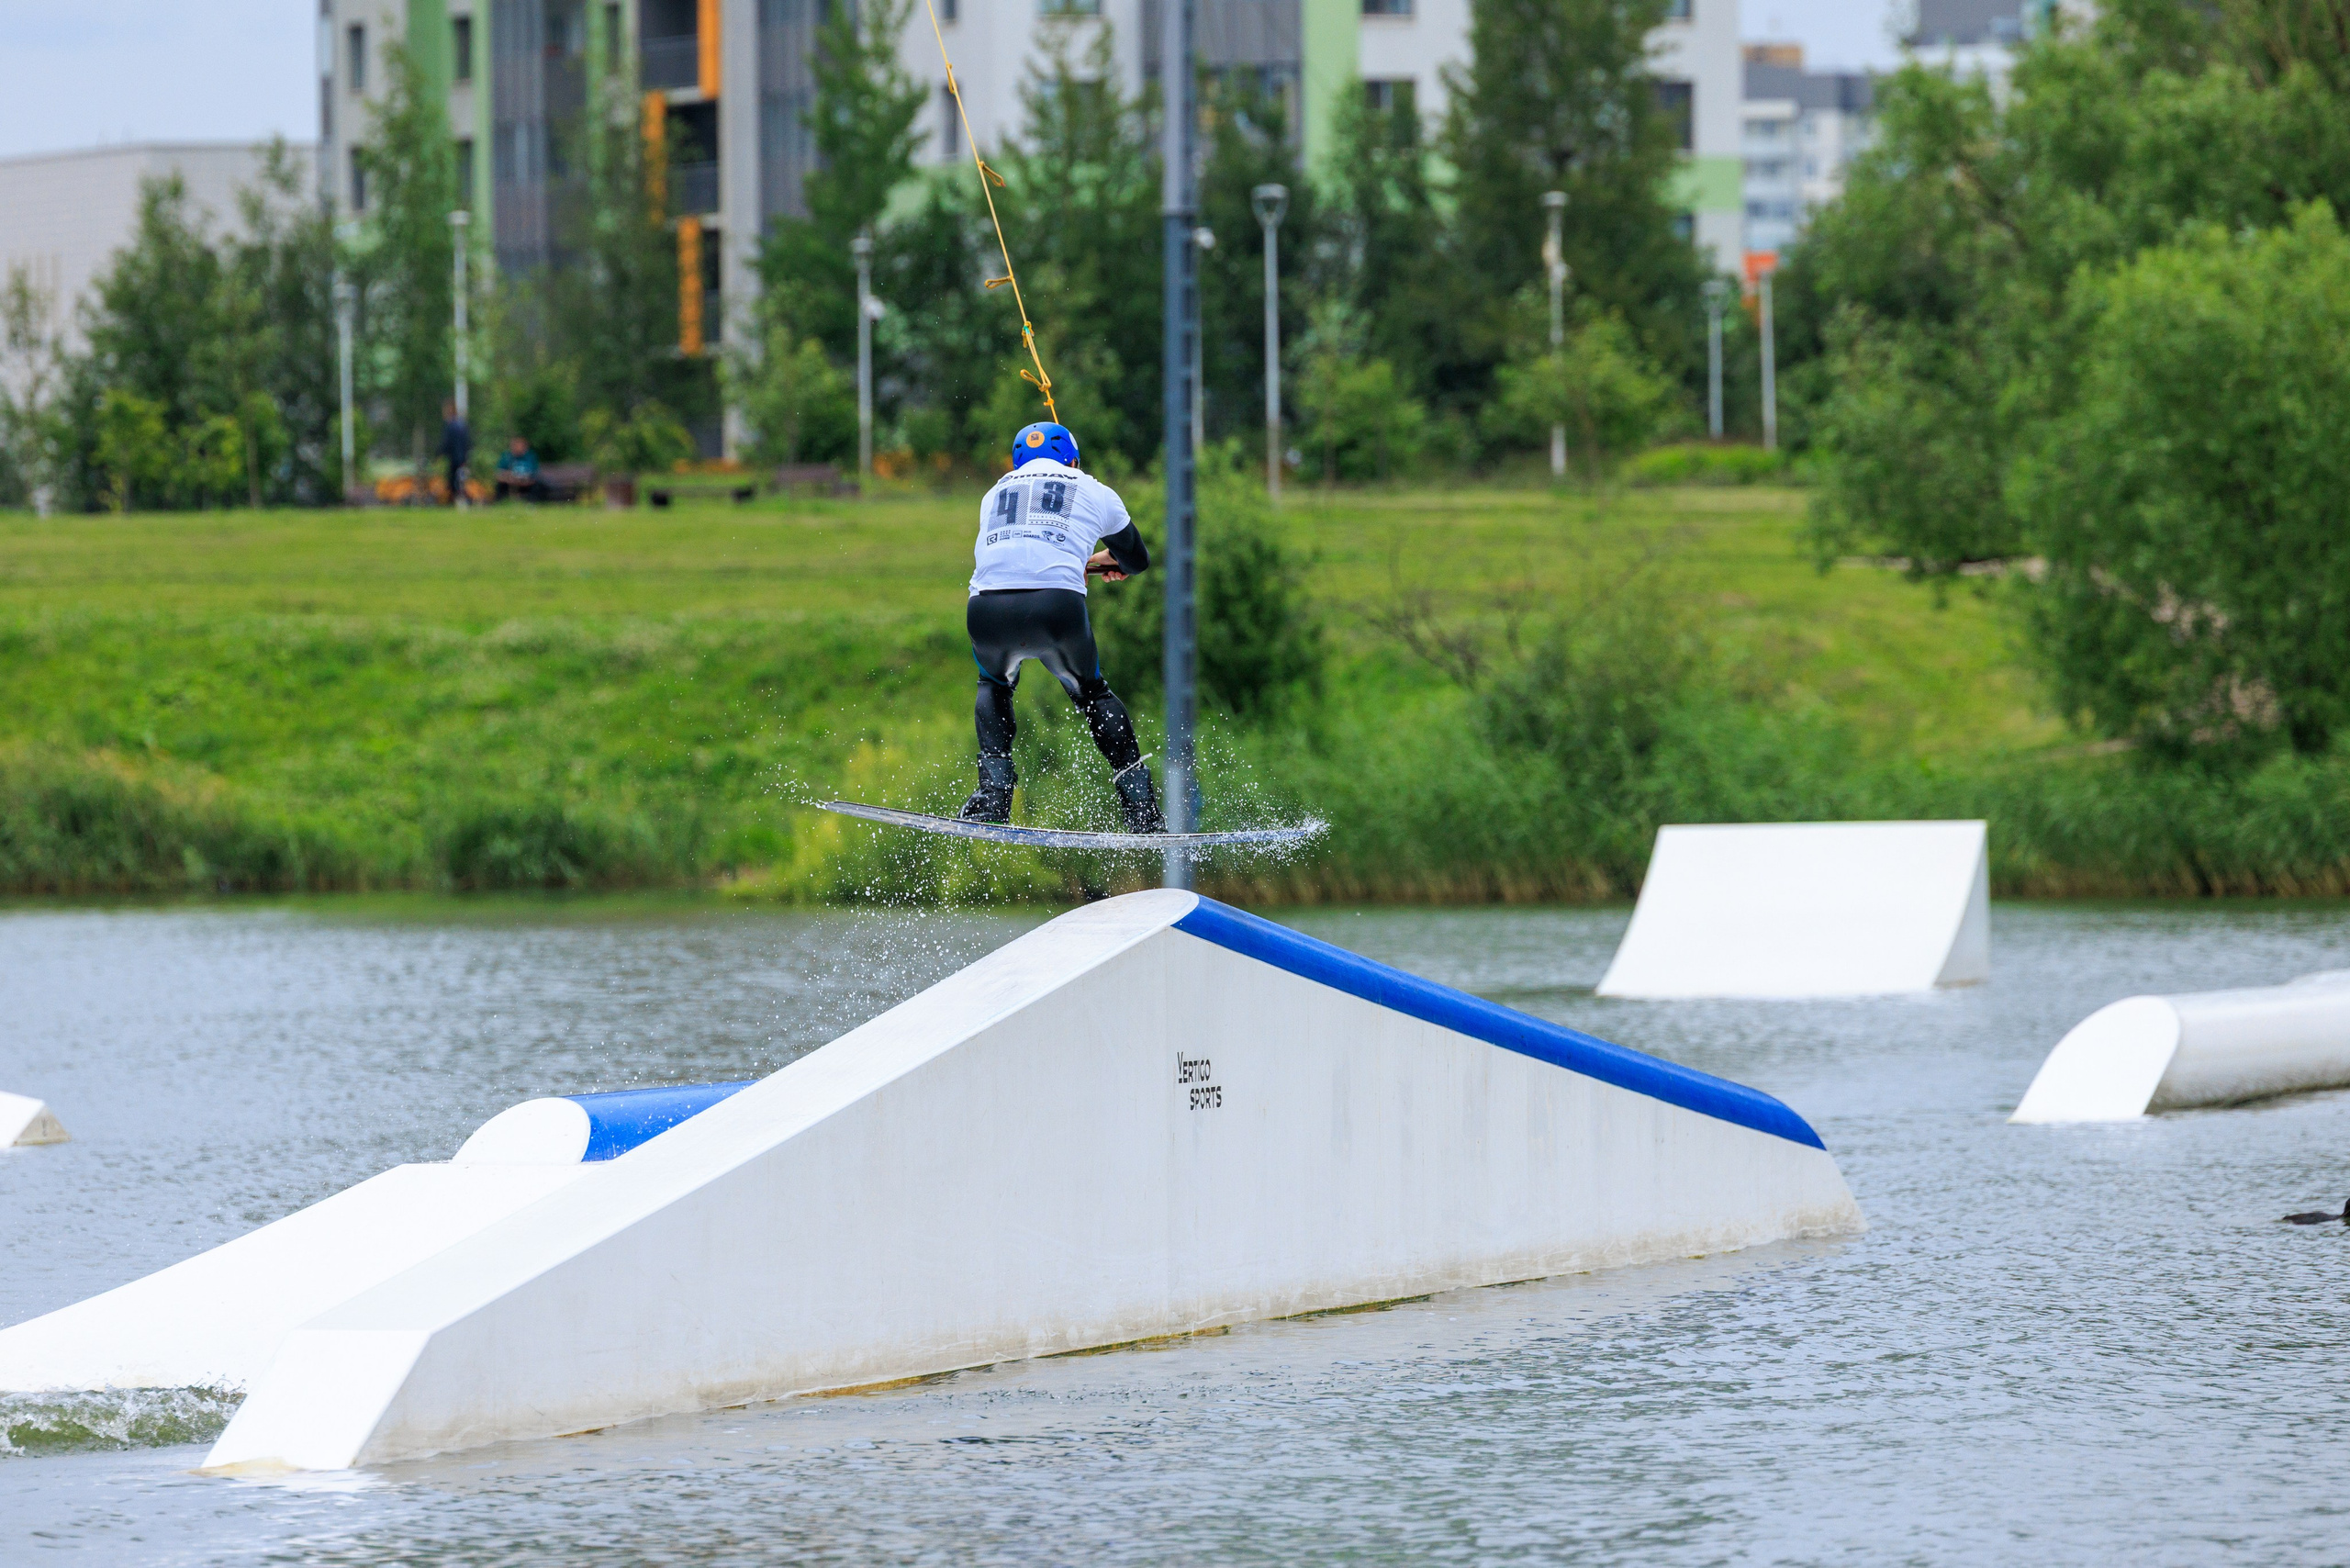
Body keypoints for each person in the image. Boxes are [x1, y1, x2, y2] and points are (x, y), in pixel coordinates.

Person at [960, 420, 1163, 834]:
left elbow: (1023, 547)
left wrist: (1083, 561)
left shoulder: (994, 492)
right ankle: (1141, 808)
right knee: (1092, 693)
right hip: (1057, 608)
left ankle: (994, 794)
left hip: (986, 609)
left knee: (994, 686)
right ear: (1073, 459)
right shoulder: (1094, 489)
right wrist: (1108, 562)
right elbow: (1137, 560)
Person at [439, 399, 472, 507]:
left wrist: (439, 453)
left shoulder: (451, 425)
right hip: (463, 457)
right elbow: (468, 442)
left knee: (454, 480)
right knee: (461, 479)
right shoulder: (462, 425)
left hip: (455, 457)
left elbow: (447, 443)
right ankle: (461, 499)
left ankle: (457, 500)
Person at [494, 434, 544, 502]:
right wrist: (509, 478)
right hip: (509, 481)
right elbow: (499, 472)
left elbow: (534, 473)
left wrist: (525, 480)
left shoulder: (530, 457)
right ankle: (501, 502)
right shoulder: (507, 456)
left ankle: (532, 502)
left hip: (526, 482)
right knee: (500, 486)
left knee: (538, 486)